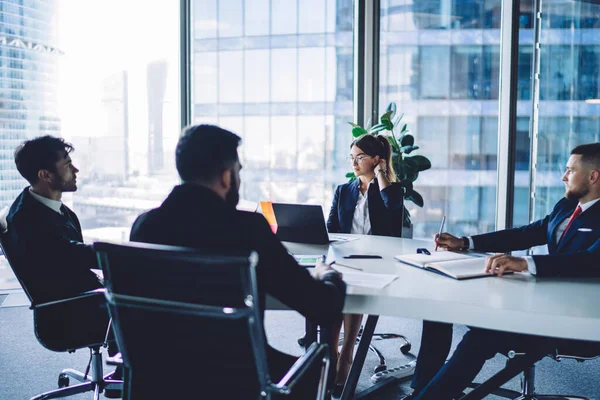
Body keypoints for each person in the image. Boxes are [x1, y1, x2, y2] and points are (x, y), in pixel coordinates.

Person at [130, 124, 346, 399]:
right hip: (239, 381)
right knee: (319, 364)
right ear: (226, 176)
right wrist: (326, 276)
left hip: (159, 378)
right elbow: (322, 307)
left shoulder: (144, 227)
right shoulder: (247, 229)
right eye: (238, 171)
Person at [406, 142, 600, 400]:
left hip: (575, 319)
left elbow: (591, 261)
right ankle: (423, 391)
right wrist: (466, 242)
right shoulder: (566, 206)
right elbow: (527, 234)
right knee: (438, 307)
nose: (563, 176)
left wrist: (526, 263)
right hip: (544, 300)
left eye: (570, 170)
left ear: (593, 176)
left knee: (483, 335)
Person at [5, 136, 121, 398]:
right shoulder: (29, 220)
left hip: (80, 299)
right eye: (68, 164)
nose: (75, 170)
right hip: (68, 313)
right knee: (145, 304)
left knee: (136, 289)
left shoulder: (47, 209)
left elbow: (74, 260)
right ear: (45, 174)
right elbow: (74, 255)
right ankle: (126, 372)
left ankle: (123, 369)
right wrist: (125, 257)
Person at [327, 134, 406, 391]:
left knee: (352, 288)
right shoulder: (343, 191)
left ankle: (347, 354)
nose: (354, 163)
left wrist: (382, 173)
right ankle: (331, 352)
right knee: (330, 286)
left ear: (376, 159)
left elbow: (392, 207)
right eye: (352, 157)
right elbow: (330, 229)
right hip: (345, 257)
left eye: (360, 157)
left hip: (377, 260)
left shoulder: (390, 191)